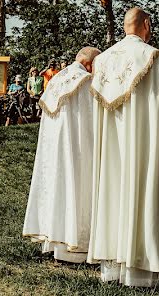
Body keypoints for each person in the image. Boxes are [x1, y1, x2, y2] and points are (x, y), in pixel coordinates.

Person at [88, 8, 159, 287]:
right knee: (144, 188)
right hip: (144, 143)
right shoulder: (152, 57)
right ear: (147, 25)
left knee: (113, 191)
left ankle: (114, 263)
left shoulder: (103, 60)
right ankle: (144, 263)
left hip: (113, 148)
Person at [23, 46, 101, 263]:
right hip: (77, 147)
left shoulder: (58, 79)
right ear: (89, 64)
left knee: (57, 188)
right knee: (77, 188)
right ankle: (76, 246)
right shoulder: (85, 81)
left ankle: (54, 239)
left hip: (54, 150)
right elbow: (91, 118)